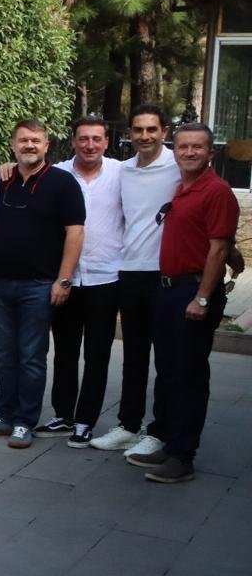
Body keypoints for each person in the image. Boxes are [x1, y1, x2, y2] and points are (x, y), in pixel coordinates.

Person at [129, 123, 240, 483]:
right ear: (174, 151)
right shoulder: (181, 188)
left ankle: (183, 455)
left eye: (197, 147)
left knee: (189, 375)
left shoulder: (217, 191)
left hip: (193, 292)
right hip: (167, 290)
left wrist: (202, 298)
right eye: (183, 147)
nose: (189, 152)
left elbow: (219, 249)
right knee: (169, 371)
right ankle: (167, 439)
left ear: (211, 153)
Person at [0, 121, 84, 449]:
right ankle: (4, 415)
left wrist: (64, 279)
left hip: (40, 285)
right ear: (13, 144)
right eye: (23, 140)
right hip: (3, 282)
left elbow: (75, 232)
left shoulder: (62, 183)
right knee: (4, 354)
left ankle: (24, 422)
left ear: (46, 145)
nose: (29, 145)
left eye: (36, 140)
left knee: (32, 356)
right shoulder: (1, 181)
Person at [92, 104, 178, 456]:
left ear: (165, 132)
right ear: (130, 132)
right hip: (129, 273)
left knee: (167, 360)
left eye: (151, 129)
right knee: (134, 356)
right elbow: (77, 168)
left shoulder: (178, 166)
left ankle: (160, 432)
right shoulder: (122, 170)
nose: (144, 136)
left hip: (166, 276)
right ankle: (128, 426)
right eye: (138, 129)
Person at [42, 116, 122, 446]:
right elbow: (22, 170)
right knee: (64, 351)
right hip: (68, 279)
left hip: (107, 277)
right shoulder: (58, 174)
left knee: (97, 354)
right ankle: (64, 414)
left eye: (96, 139)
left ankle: (85, 420)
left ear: (106, 142)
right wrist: (5, 167)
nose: (90, 145)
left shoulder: (121, 173)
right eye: (83, 139)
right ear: (73, 141)